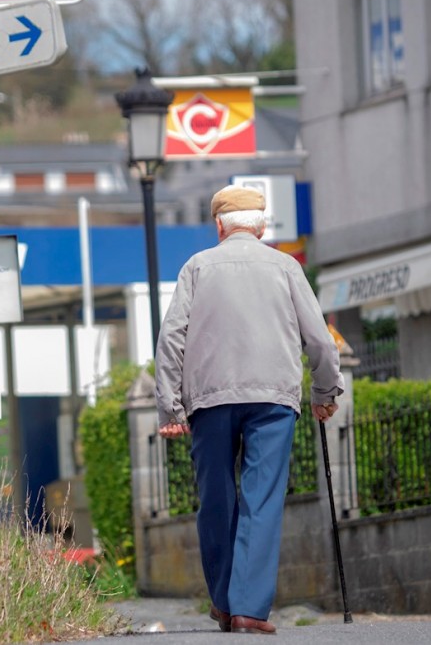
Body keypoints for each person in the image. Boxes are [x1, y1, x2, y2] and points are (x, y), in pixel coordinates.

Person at [154, 184, 344, 635]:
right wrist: (325, 391)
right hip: (272, 399)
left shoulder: (196, 267)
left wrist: (171, 408)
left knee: (216, 498)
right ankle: (248, 609)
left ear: (218, 225)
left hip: (210, 399)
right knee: (262, 500)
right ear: (261, 227)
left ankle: (223, 603)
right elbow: (318, 337)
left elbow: (172, 338)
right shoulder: (286, 267)